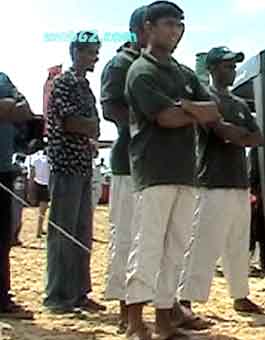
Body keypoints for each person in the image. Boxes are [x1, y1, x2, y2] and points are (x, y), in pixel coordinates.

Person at [123, 2, 221, 339]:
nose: (175, 31)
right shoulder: (141, 70)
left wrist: (186, 108)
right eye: (168, 24)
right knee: (148, 246)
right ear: (149, 27)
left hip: (184, 171)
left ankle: (165, 322)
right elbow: (165, 118)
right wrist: (192, 109)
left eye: (179, 25)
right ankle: (135, 322)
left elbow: (214, 111)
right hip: (154, 170)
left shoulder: (182, 72)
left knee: (175, 250)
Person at [178, 46, 265, 318]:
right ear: (213, 68)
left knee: (238, 243)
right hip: (211, 180)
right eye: (227, 66)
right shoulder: (206, 98)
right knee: (204, 242)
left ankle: (240, 295)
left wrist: (233, 133)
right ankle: (185, 298)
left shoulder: (238, 103)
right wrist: (234, 134)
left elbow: (256, 137)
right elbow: (219, 131)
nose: (232, 70)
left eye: (233, 66)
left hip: (238, 181)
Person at [44, 30, 105, 314]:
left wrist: (89, 127)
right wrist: (88, 126)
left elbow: (93, 125)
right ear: (76, 52)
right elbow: (74, 123)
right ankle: (57, 296)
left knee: (82, 232)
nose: (95, 56)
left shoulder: (84, 86)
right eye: (91, 51)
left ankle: (79, 293)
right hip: (66, 164)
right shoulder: (64, 83)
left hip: (82, 164)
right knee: (62, 233)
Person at [100, 5, 147, 332]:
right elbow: (111, 109)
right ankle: (124, 311)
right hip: (129, 161)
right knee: (127, 237)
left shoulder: (154, 65)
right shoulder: (120, 64)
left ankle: (154, 308)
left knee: (150, 240)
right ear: (144, 28)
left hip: (156, 164)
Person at [0, 71, 35, 319]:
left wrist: (9, 107)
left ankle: (2, 299)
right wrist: (9, 107)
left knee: (3, 238)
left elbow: (26, 110)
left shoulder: (2, 78)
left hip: (4, 169)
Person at [30, 145, 51, 238]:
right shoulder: (50, 162)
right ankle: (38, 231)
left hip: (37, 184)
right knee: (44, 210)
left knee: (41, 211)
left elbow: (32, 175)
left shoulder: (36, 159)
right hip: (46, 186)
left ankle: (40, 229)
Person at [10, 153, 27, 246]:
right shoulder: (18, 169)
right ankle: (12, 238)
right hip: (15, 197)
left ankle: (14, 238)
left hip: (18, 198)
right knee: (15, 218)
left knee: (17, 218)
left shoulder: (20, 170)